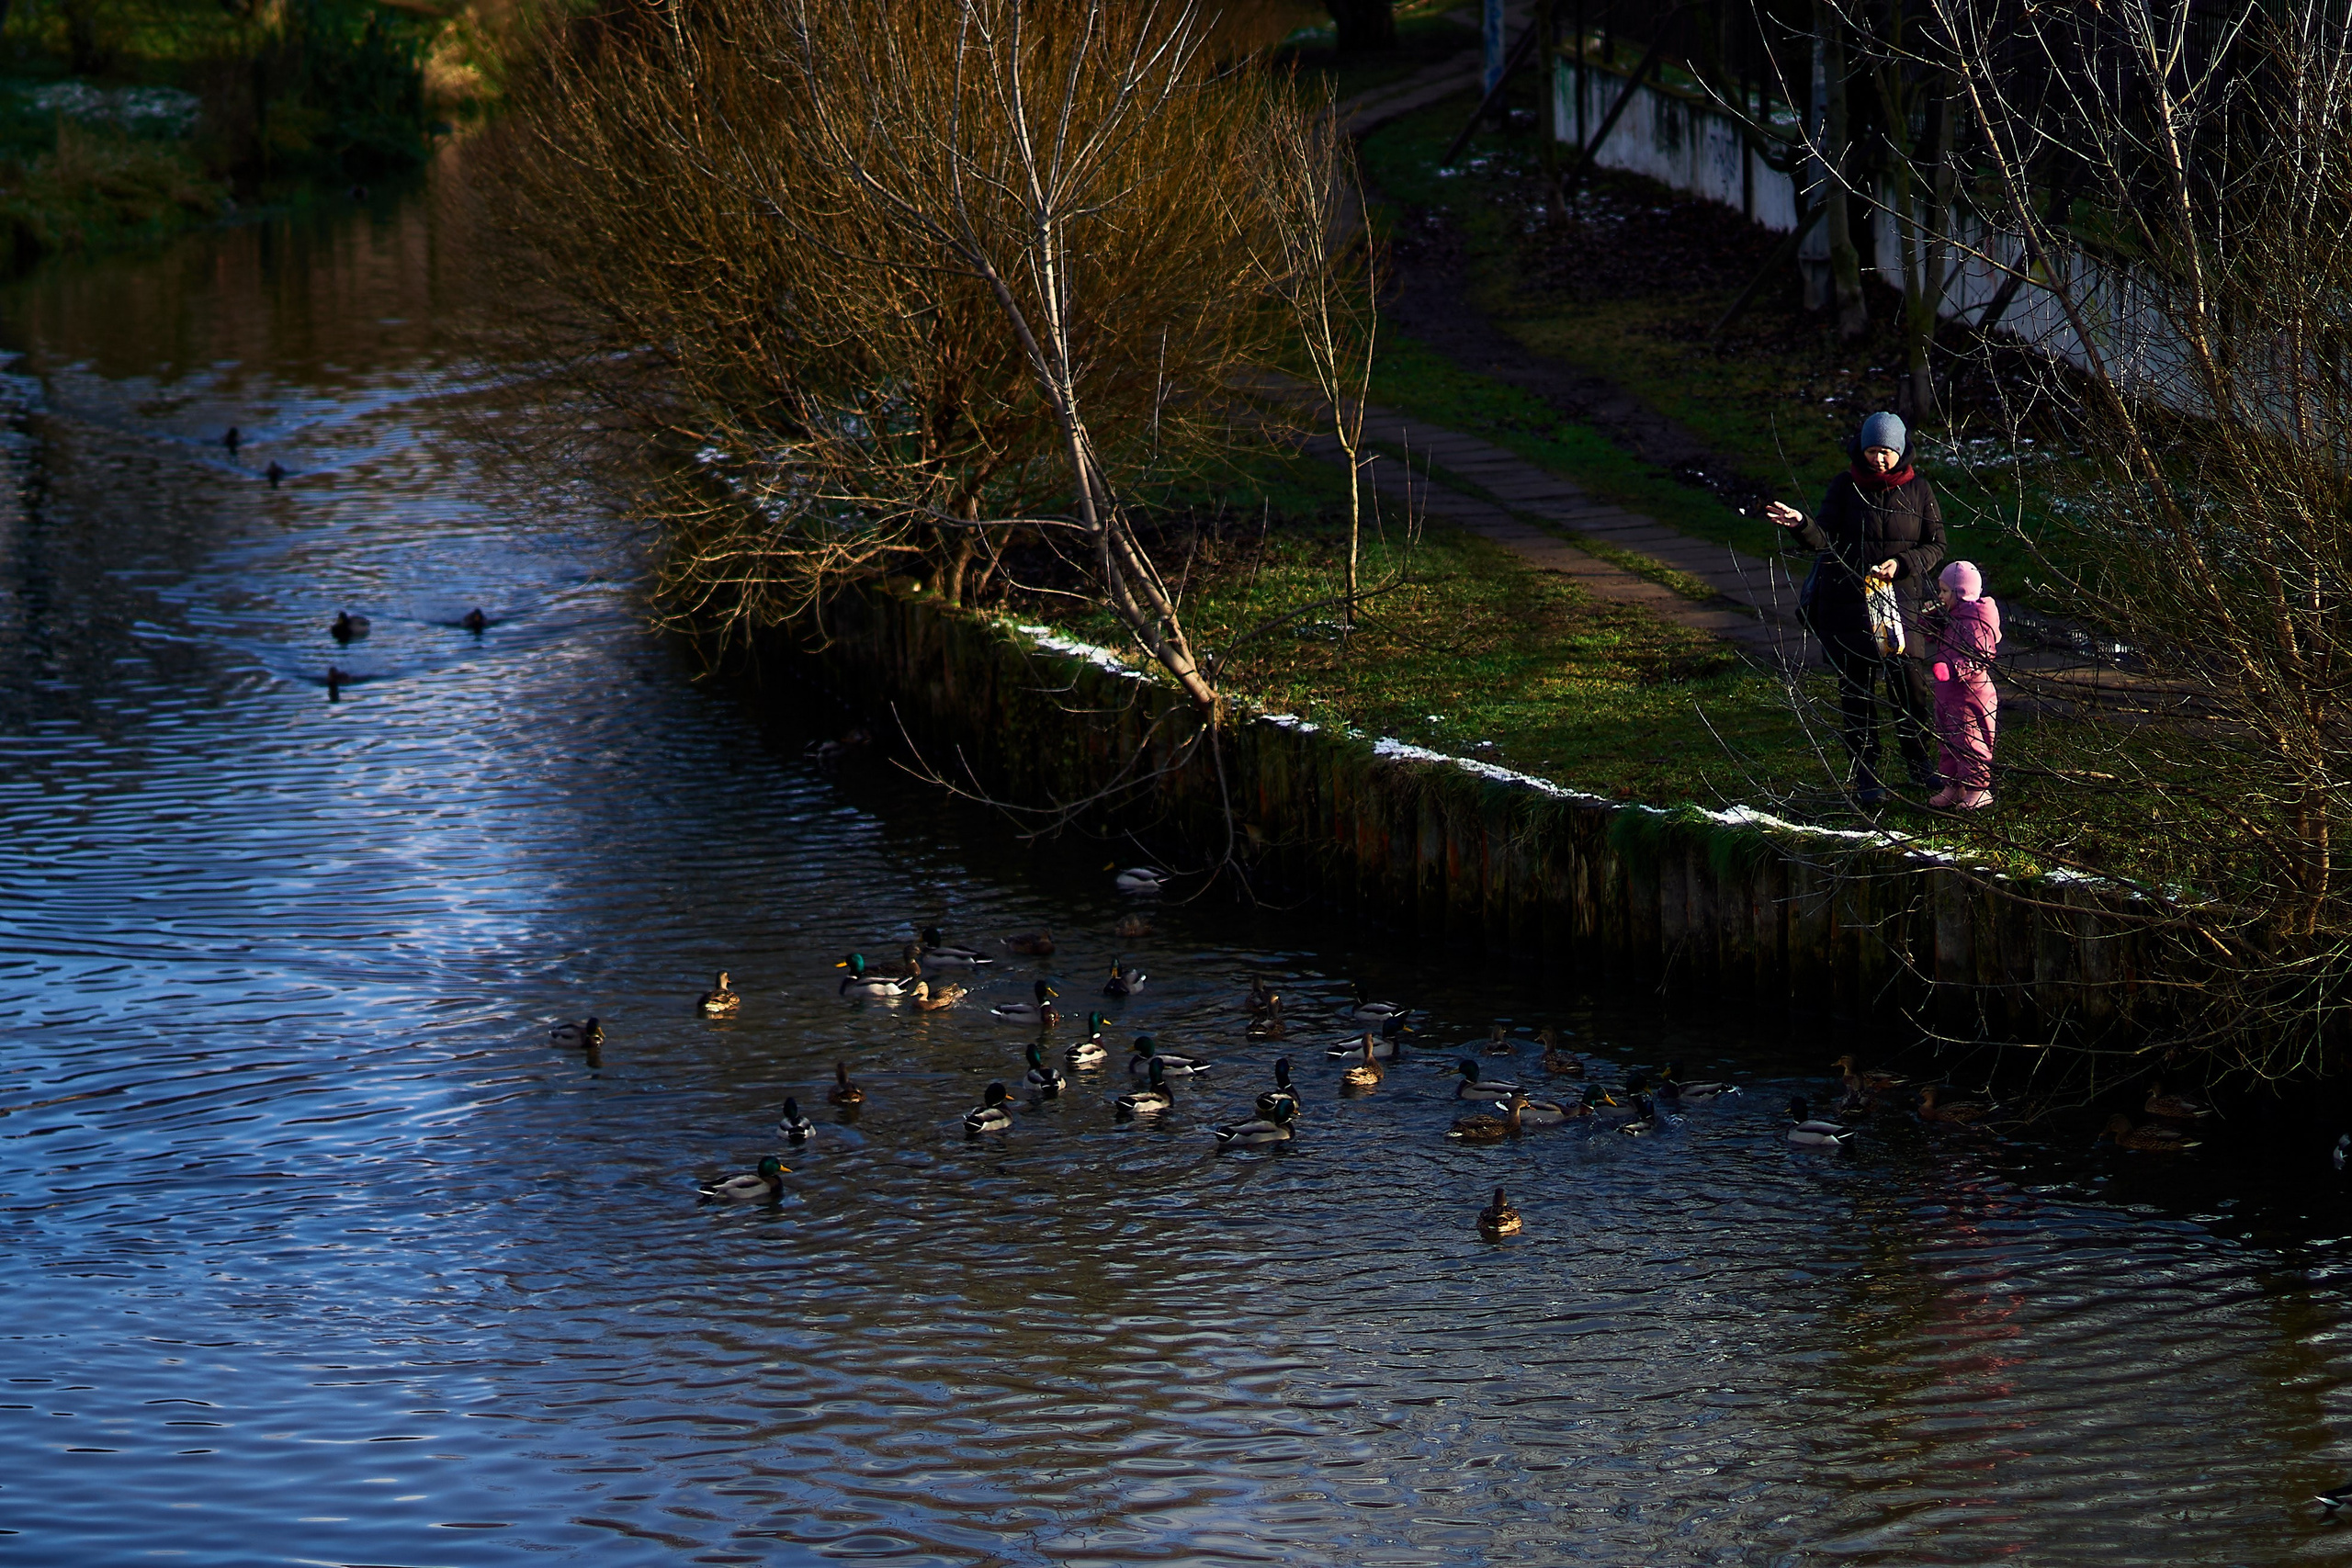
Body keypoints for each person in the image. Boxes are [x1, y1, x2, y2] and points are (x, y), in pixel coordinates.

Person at [1763, 411, 1946, 807]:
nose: (1878, 459)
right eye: (1872, 451)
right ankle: (1866, 775)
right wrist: (1800, 524)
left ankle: (1918, 763)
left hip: (1900, 605)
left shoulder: (1920, 490)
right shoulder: (1845, 486)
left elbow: (1936, 545)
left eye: (1886, 452)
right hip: (1847, 603)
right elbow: (1823, 539)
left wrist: (1904, 565)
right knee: (1856, 693)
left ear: (1901, 451)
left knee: (1909, 687)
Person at [1928, 559, 2000, 810]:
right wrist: (1929, 616)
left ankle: (1978, 788)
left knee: (1970, 739)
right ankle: (1953, 785)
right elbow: (1928, 633)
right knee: (1947, 738)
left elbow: (1978, 655)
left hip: (1969, 693)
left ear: (1961, 593)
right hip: (1948, 693)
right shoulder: (1952, 615)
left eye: (1945, 591)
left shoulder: (1977, 619)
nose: (1940, 596)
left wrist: (1952, 668)